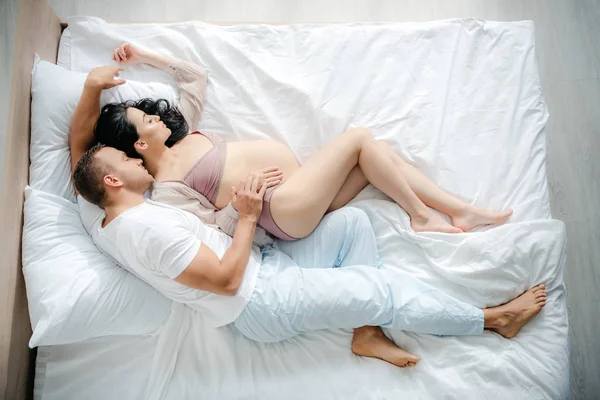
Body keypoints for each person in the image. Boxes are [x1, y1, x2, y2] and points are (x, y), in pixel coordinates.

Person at [70, 141, 547, 368]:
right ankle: (491, 320)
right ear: (113, 181)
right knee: (378, 290)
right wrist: (251, 215)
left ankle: (366, 333)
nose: (136, 159)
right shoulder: (144, 229)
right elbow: (224, 280)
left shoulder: (103, 217)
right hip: (259, 301)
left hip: (269, 268)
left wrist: (92, 86)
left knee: (351, 226)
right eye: (126, 161)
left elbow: (80, 161)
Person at [70, 43, 513, 245]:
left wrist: (145, 57)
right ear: (138, 145)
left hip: (300, 193)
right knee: (357, 139)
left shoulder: (184, 129)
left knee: (382, 156)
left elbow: (195, 76)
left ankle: (459, 210)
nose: (155, 116)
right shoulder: (166, 189)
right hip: (279, 211)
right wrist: (242, 200)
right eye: (144, 120)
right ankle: (420, 216)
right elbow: (209, 230)